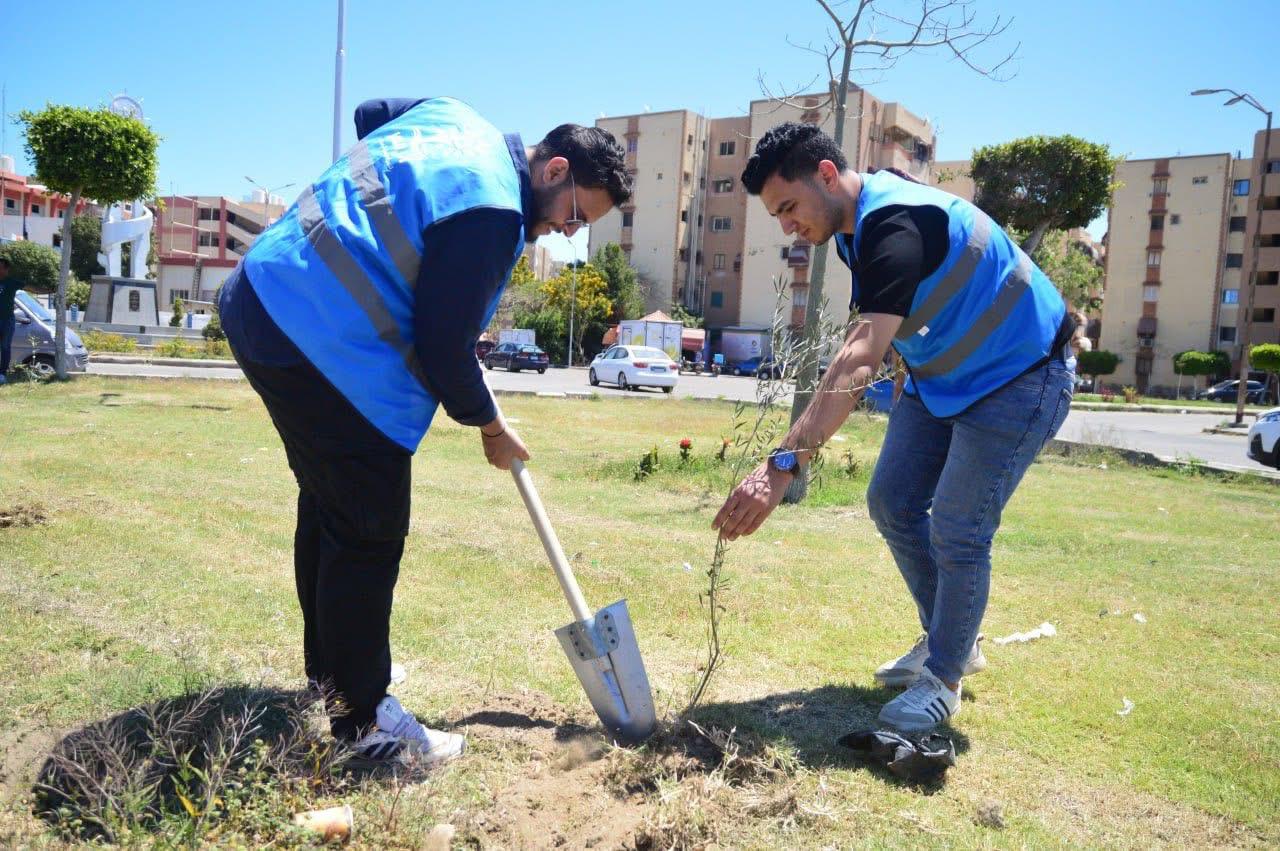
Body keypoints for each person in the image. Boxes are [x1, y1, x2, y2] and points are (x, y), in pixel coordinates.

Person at [219, 97, 631, 762]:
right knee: (367, 527)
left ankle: (335, 676)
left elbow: (371, 113)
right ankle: (363, 723)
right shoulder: (494, 212)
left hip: (261, 297)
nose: (566, 232)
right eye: (575, 215)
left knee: (330, 506)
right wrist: (491, 427)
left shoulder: (449, 118)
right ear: (555, 170)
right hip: (323, 343)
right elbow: (443, 350)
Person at [713, 124, 1075, 732]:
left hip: (1022, 375)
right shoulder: (852, 229)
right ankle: (952, 639)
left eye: (790, 207)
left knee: (960, 528)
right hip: (942, 380)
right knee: (893, 501)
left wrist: (781, 465)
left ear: (827, 175)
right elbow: (910, 313)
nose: (788, 226)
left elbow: (858, 356)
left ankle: (943, 679)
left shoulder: (895, 223)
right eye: (777, 215)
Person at [0, 258, 22, 385]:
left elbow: (31, 288)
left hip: (7, 320)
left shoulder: (12, 282)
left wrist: (50, 290)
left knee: (5, 347)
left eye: (1, 267)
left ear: (6, 269)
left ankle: (2, 374)